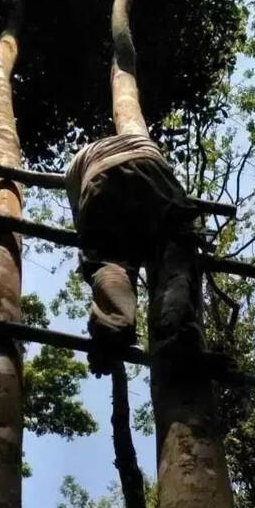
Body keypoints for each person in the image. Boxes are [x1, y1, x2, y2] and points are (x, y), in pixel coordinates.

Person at [65, 134, 200, 373]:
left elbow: (82, 220)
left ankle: (112, 327)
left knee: (110, 262)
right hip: (152, 167)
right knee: (176, 258)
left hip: (99, 174)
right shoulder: (139, 139)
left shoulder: (76, 163)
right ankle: (177, 331)